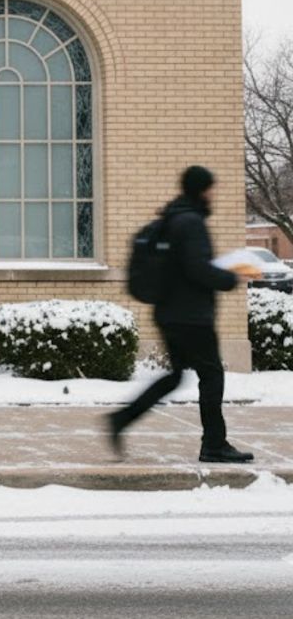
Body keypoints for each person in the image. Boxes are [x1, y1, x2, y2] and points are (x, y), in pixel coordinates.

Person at [106, 165, 259, 463]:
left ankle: (121, 419)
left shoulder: (172, 217)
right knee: (212, 375)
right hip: (191, 317)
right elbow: (197, 269)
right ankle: (214, 444)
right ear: (202, 189)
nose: (214, 194)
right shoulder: (191, 222)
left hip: (169, 313)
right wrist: (230, 278)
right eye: (211, 188)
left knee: (175, 376)